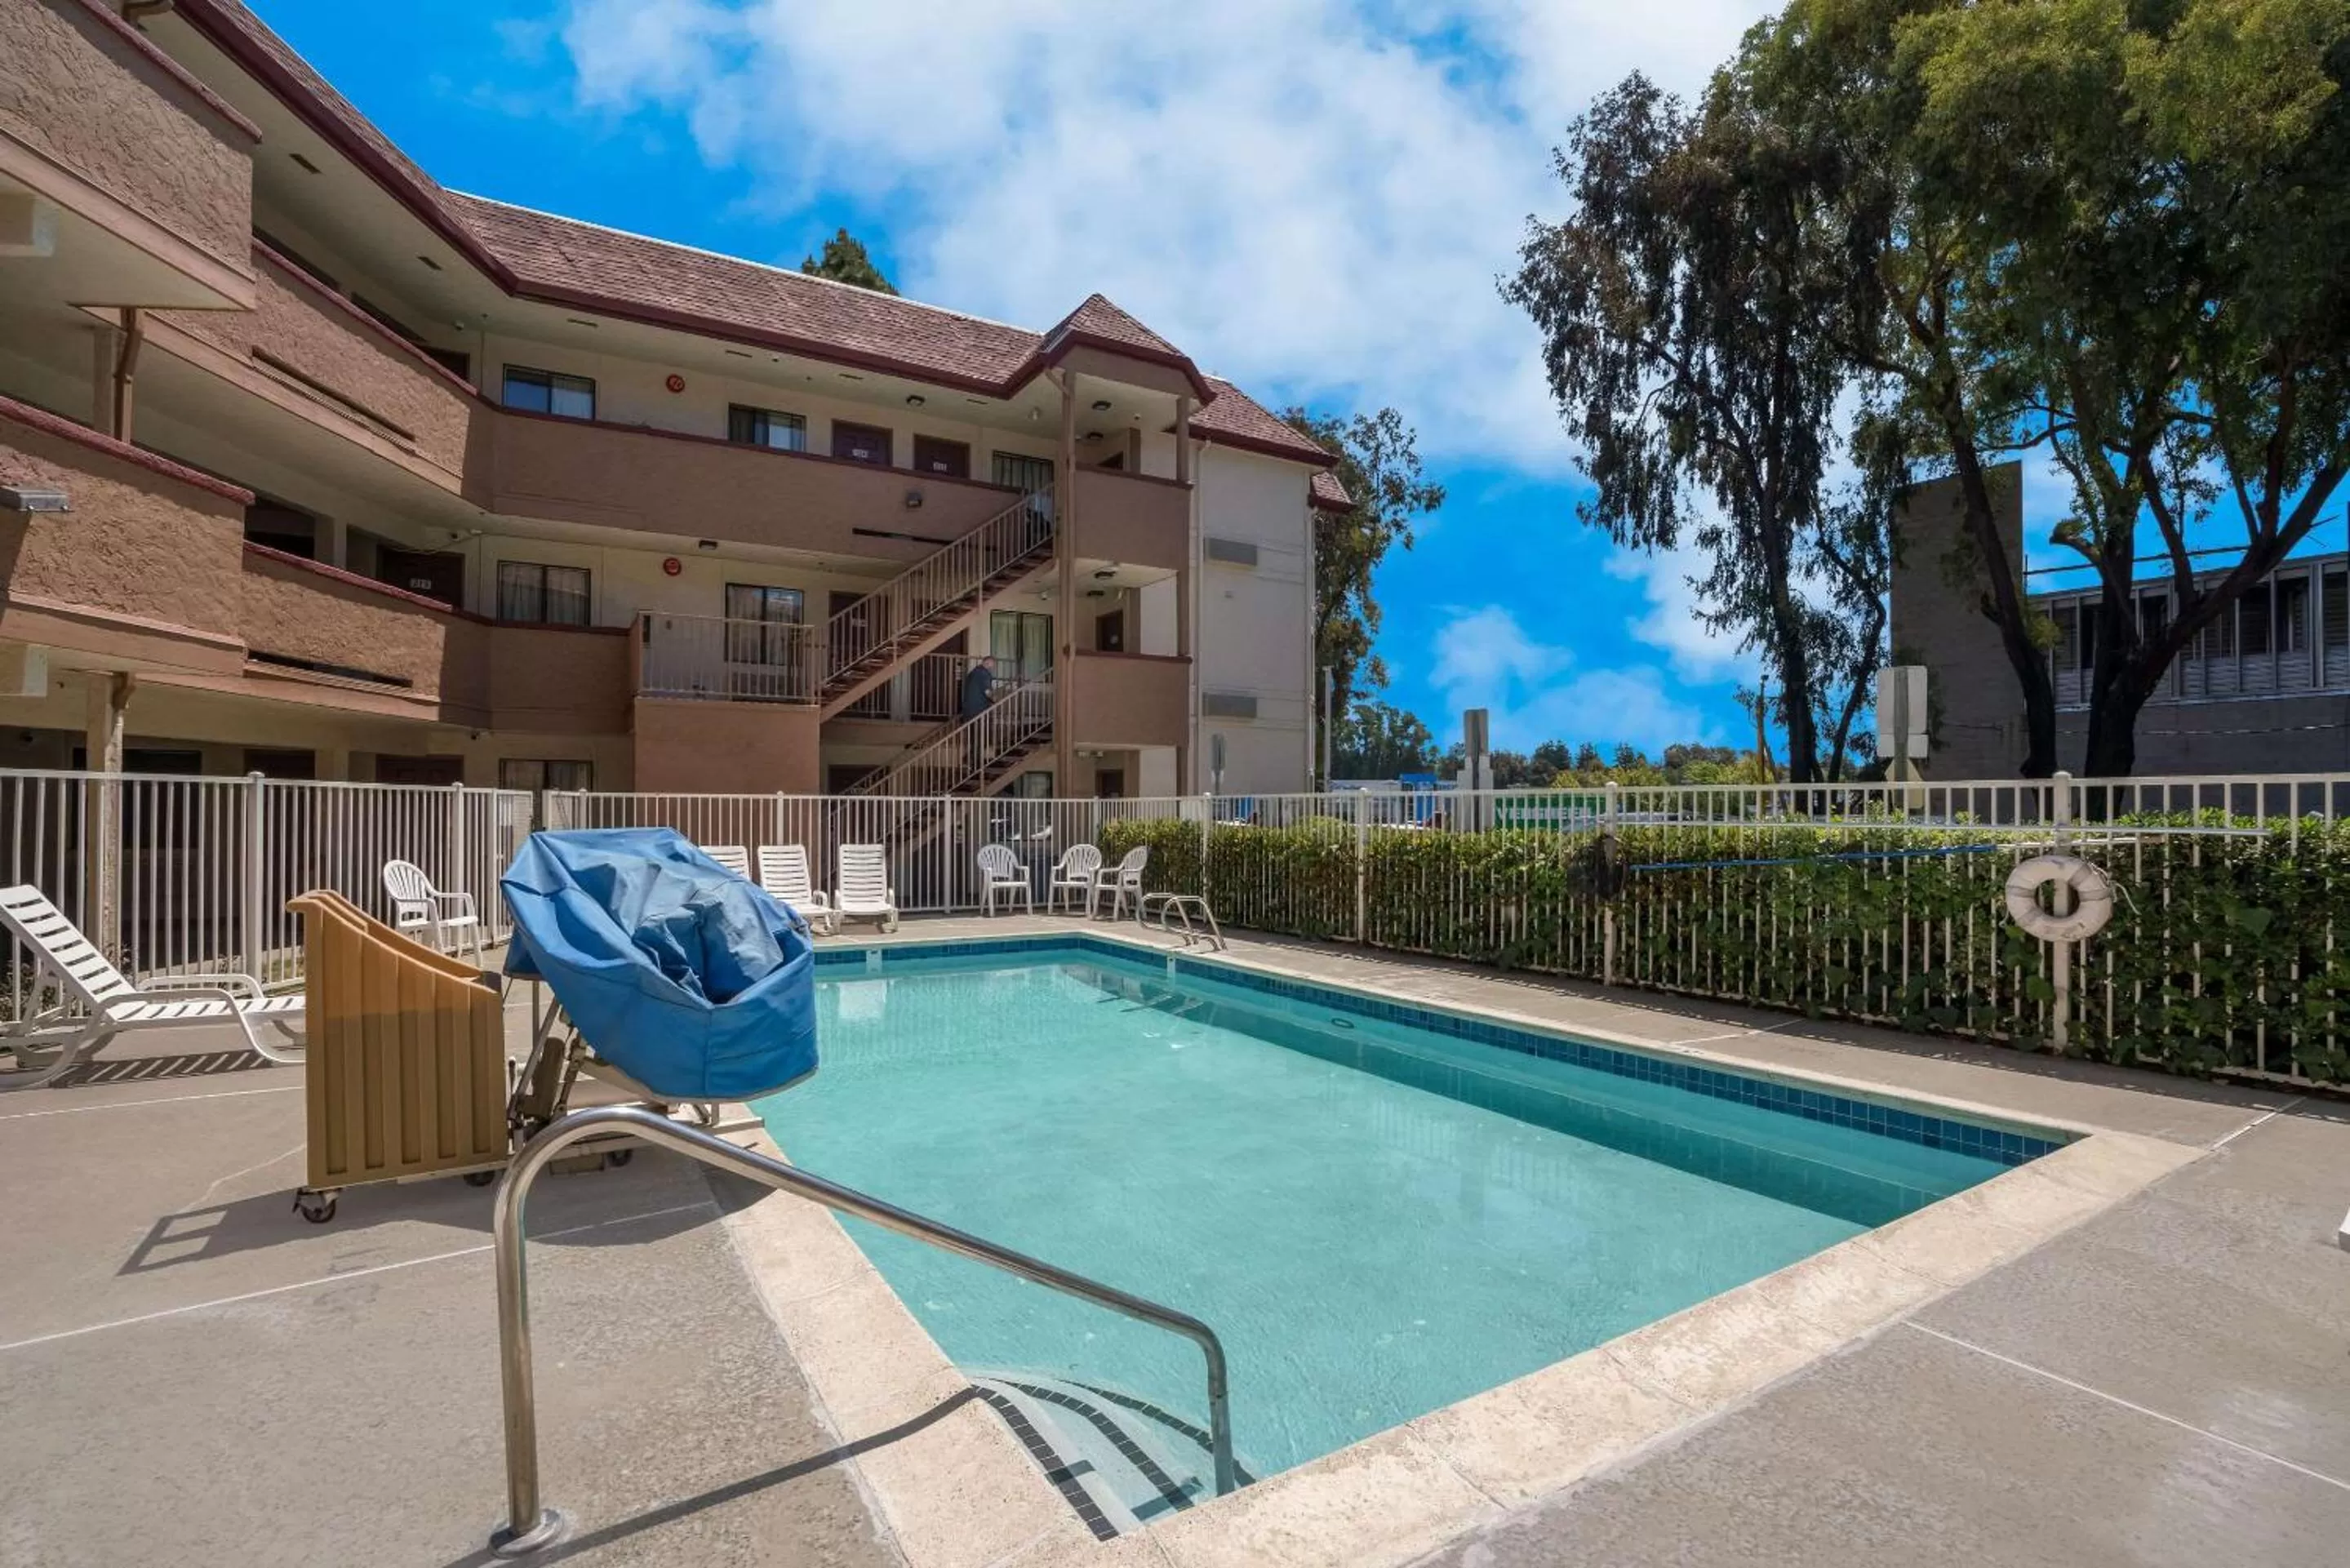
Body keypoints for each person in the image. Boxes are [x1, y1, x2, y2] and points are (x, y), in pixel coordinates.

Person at [961, 655, 997, 771]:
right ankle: (974, 763)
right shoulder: (983, 674)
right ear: (988, 663)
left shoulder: (973, 673)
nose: (992, 668)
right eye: (992, 665)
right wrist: (995, 699)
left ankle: (970, 760)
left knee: (974, 737)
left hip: (969, 711)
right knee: (983, 738)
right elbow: (987, 692)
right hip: (979, 711)